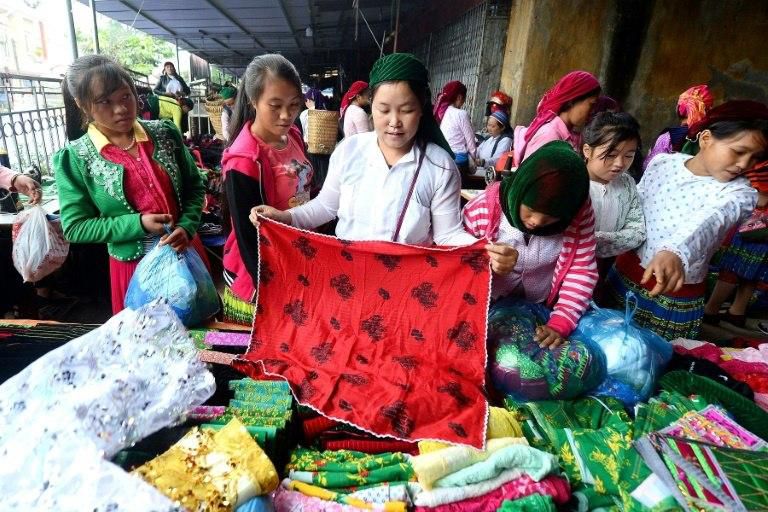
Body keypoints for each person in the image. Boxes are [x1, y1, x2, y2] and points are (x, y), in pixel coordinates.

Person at [253, 53, 516, 274]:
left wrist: (486, 252)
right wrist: (285, 217)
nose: (394, 122)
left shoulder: (440, 166)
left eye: (406, 110)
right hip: (349, 275)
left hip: (407, 283)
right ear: (371, 108)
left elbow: (448, 235)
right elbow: (326, 207)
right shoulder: (350, 151)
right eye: (383, 109)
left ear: (422, 108)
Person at [53, 55, 208, 315]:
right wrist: (138, 224)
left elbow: (194, 187)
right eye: (105, 102)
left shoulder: (165, 133)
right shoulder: (75, 158)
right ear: (82, 105)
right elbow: (75, 227)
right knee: (147, 344)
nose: (121, 109)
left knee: (199, 332)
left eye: (125, 96)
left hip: (185, 251)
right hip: (133, 268)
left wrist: (187, 225)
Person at [606, 100, 768, 340]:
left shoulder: (740, 194)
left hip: (670, 297)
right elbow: (633, 206)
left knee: (647, 363)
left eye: (755, 158)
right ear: (705, 139)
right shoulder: (663, 164)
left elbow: (709, 221)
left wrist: (675, 252)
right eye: (738, 151)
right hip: (622, 276)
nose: (744, 164)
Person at [463, 140, 598, 345]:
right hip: (483, 308)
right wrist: (484, 262)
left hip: (541, 308)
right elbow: (455, 264)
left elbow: (581, 270)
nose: (536, 222)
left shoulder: (577, 216)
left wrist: (561, 322)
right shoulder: (483, 210)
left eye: (551, 217)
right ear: (519, 191)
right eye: (530, 210)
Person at [220, 54, 314, 325]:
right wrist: (268, 289)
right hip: (261, 272)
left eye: (294, 105)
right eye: (275, 105)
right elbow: (248, 235)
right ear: (253, 101)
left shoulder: (293, 135)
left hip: (295, 257)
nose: (286, 115)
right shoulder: (244, 159)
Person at [704, 160, 768, 329]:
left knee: (732, 267)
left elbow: (762, 191)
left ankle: (711, 310)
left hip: (759, 219)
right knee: (752, 270)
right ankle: (737, 312)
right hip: (762, 224)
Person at [583, 112, 645, 267]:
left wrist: (593, 239)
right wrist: (615, 239)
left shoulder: (627, 183)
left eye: (629, 156)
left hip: (609, 266)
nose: (619, 163)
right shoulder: (573, 182)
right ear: (587, 151)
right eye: (611, 155)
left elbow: (637, 231)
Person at [512, 71, 601, 167]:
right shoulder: (550, 135)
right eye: (591, 105)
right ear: (573, 100)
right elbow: (531, 178)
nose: (592, 111)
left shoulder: (568, 134)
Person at [643, 85, 713, 170]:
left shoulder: (668, 137)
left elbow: (649, 168)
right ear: (708, 111)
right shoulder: (712, 138)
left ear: (680, 109)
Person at [434, 80, 476, 178]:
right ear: (459, 97)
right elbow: (470, 142)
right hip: (458, 162)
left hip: (443, 158)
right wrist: (474, 159)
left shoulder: (443, 112)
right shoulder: (461, 114)